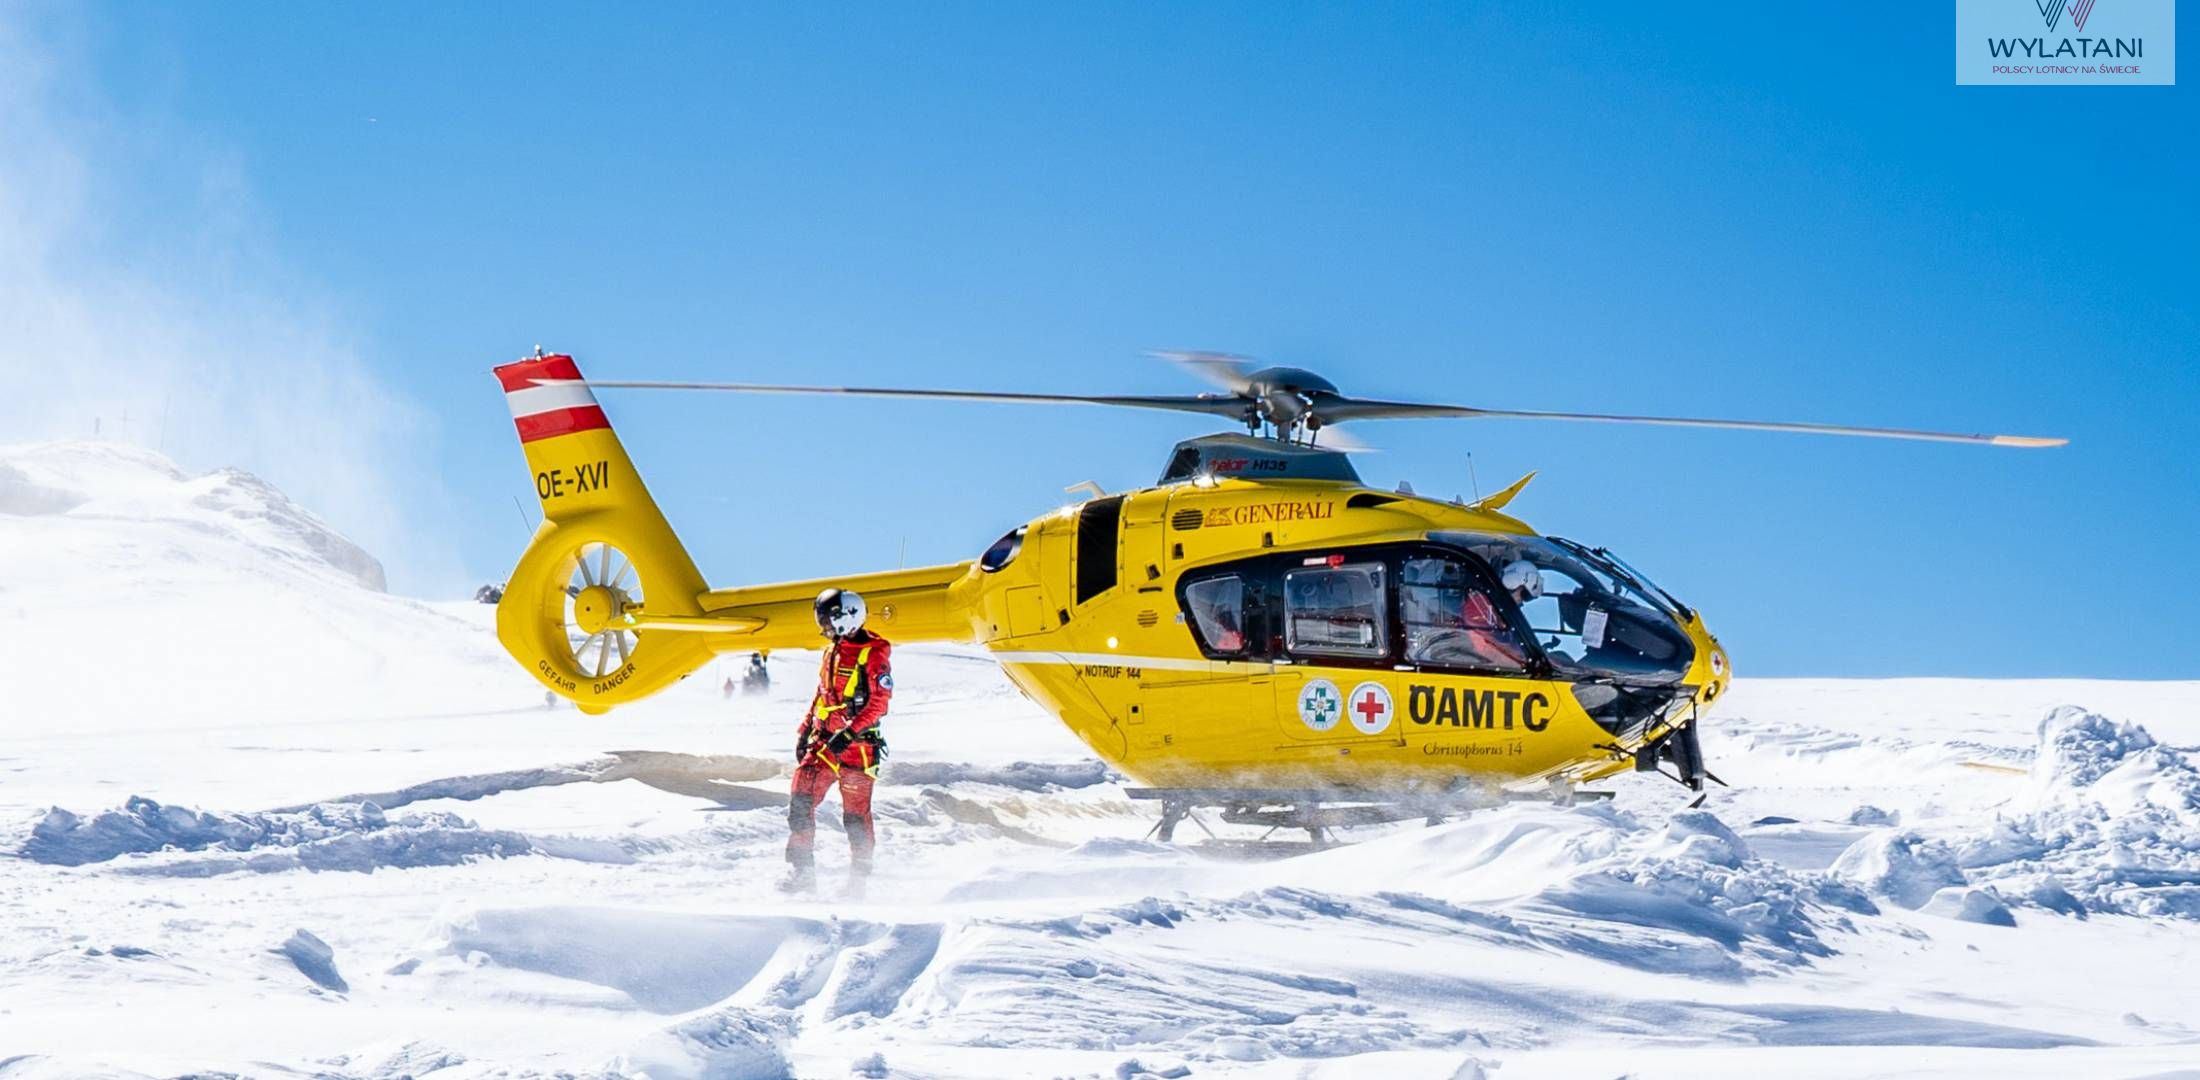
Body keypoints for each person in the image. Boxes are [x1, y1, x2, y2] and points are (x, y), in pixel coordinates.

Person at [782, 587, 892, 897]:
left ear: (847, 618)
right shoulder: (831, 651)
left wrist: (849, 733)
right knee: (800, 802)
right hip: (824, 744)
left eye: (828, 622)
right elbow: (823, 692)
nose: (824, 629)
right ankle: (801, 874)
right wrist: (805, 729)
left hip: (857, 749)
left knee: (855, 818)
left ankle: (859, 882)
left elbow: (878, 703)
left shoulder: (874, 654)